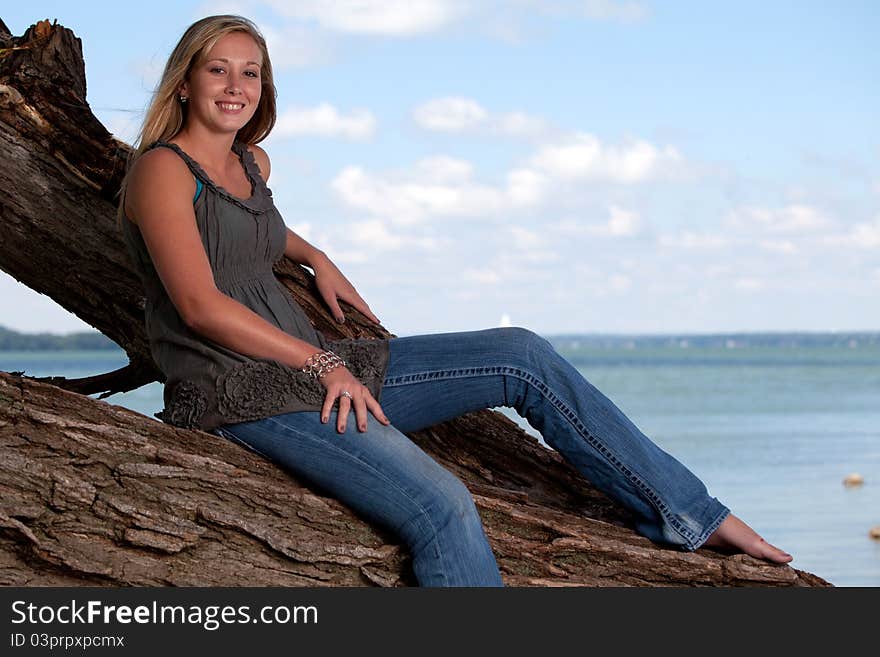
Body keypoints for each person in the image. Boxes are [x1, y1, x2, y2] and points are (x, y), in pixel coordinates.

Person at [118, 15, 793, 587]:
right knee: (443, 506)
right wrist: (322, 365)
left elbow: (247, 225)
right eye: (218, 70)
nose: (236, 86)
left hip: (313, 367)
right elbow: (200, 302)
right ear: (185, 81)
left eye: (251, 72)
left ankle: (690, 512)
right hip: (239, 394)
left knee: (520, 353)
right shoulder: (161, 169)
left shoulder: (253, 164)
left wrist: (312, 254)